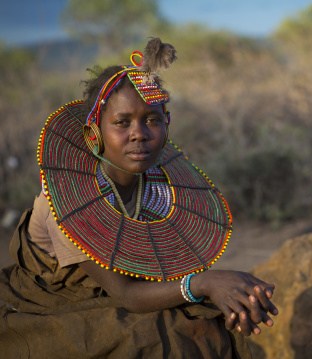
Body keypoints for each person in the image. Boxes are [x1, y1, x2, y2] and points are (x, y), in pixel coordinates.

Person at [0, 38, 277, 358]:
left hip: (121, 286)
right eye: (121, 122)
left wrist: (234, 295)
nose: (139, 133)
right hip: (51, 295)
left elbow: (162, 265)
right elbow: (128, 295)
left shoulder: (158, 188)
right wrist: (204, 284)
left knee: (208, 324)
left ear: (166, 126)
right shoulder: (68, 203)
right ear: (95, 133)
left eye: (152, 120)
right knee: (153, 337)